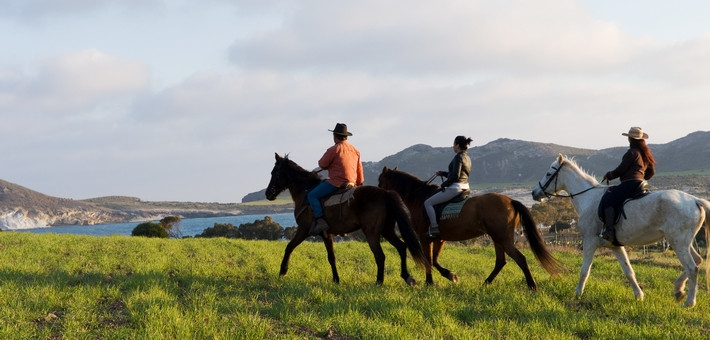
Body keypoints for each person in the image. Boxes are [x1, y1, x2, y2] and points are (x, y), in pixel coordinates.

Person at [599, 127, 656, 243]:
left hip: (630, 183)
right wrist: (641, 178)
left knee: (608, 197)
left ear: (631, 139)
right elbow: (651, 172)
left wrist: (609, 175)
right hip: (641, 184)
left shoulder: (632, 153)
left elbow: (621, 170)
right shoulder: (645, 154)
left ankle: (609, 231)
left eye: (629, 138)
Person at [307, 123, 364, 235]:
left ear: (335, 136)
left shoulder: (334, 149)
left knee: (312, 195)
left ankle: (320, 220)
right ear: (346, 136)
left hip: (336, 183)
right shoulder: (355, 150)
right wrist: (359, 184)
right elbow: (359, 170)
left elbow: (322, 164)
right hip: (352, 183)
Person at [424, 135, 473, 236]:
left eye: (453, 144)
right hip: (465, 187)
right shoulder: (467, 158)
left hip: (456, 188)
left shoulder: (458, 157)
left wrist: (443, 185)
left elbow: (455, 176)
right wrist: (442, 173)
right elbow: (457, 174)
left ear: (457, 145)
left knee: (428, 203)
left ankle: (434, 228)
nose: (453, 147)